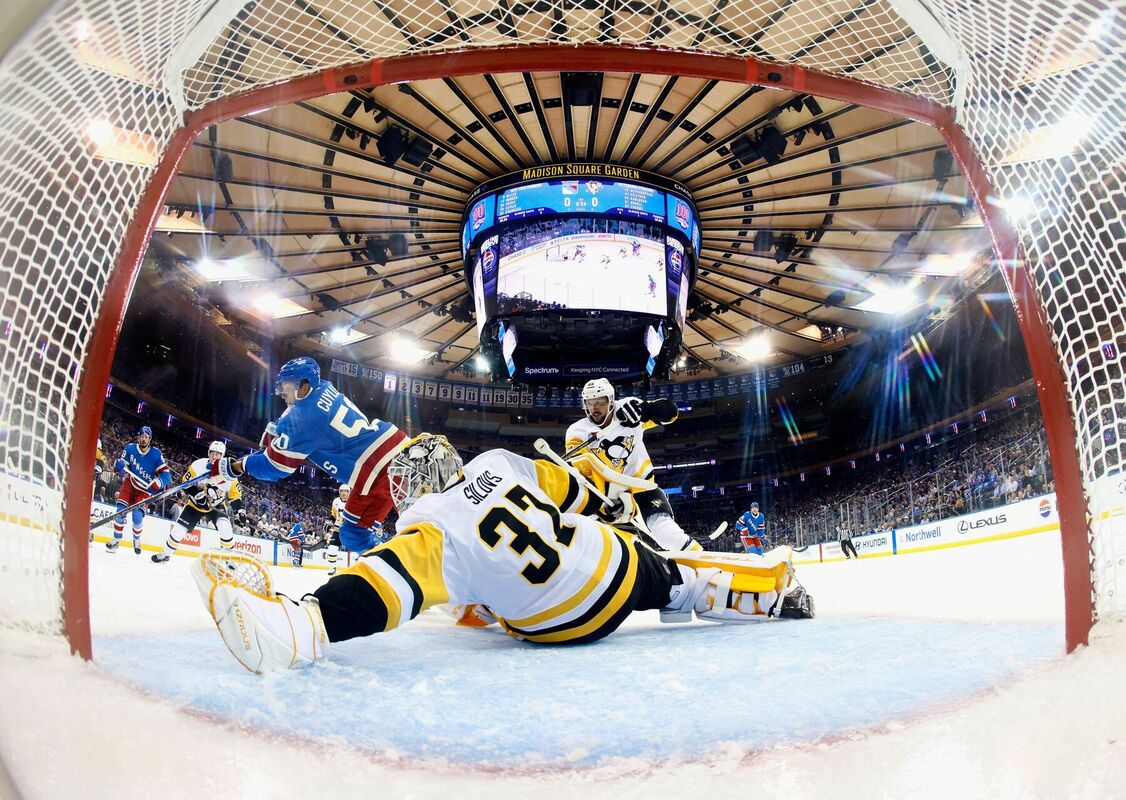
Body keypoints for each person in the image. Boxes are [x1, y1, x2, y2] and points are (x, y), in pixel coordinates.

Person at [191, 435, 815, 674]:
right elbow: (576, 491)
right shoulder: (494, 463)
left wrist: (312, 616)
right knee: (676, 571)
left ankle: (299, 629)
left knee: (469, 596)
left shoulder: (429, 526)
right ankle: (772, 592)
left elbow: (383, 584)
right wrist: (604, 508)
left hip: (549, 627)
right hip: (612, 569)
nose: (402, 494)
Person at [211, 356, 408, 553]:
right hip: (391, 448)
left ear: (303, 385)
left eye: (285, 386)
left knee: (360, 535)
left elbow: (273, 468)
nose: (281, 392)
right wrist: (281, 429)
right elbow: (304, 417)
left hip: (378, 471)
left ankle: (395, 568)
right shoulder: (323, 386)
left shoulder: (303, 420)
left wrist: (237, 466)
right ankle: (390, 564)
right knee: (352, 534)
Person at [564, 378, 701, 553]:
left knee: (667, 533)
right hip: (605, 491)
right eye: (589, 403)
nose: (593, 408)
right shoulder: (577, 432)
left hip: (641, 486)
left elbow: (670, 414)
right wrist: (601, 502)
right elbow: (582, 471)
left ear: (611, 401)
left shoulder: (628, 408)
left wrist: (646, 410)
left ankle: (706, 566)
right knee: (586, 540)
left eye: (599, 402)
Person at [151, 441, 244, 563]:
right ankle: (166, 554)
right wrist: (197, 495)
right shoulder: (198, 465)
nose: (215, 456)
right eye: (213, 453)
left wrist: (239, 512)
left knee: (225, 528)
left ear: (223, 456)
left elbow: (235, 496)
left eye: (218, 454)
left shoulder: (229, 473)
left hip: (216, 505)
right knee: (178, 530)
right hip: (195, 504)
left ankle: (229, 559)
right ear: (209, 453)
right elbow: (185, 483)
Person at [107, 426, 171, 554]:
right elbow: (121, 466)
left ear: (150, 439)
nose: (143, 439)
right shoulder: (130, 448)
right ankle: (115, 540)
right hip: (130, 484)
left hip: (144, 491)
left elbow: (166, 476)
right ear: (138, 436)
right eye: (141, 436)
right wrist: (118, 465)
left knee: (137, 516)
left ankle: (136, 540)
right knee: (120, 512)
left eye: (146, 437)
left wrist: (157, 483)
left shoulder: (156, 454)